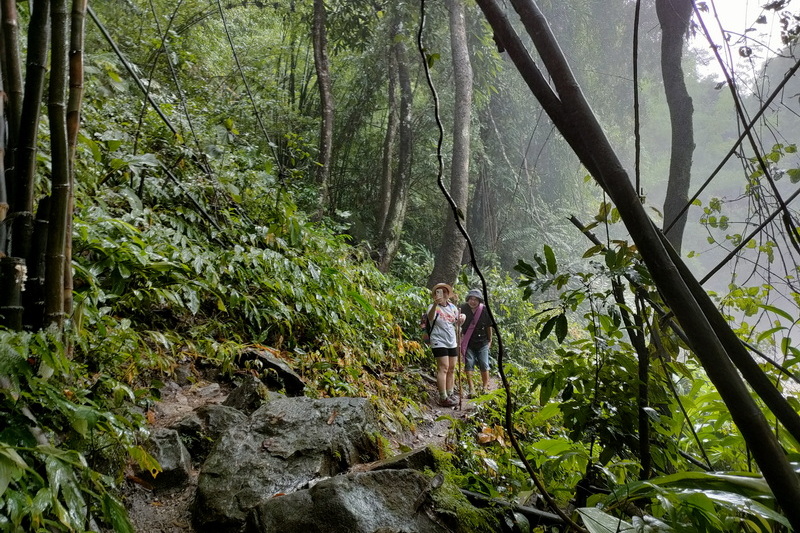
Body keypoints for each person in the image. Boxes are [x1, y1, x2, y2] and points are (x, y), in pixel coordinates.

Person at [427, 283, 465, 407]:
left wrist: (461, 318)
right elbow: (430, 317)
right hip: (438, 340)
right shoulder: (433, 307)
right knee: (443, 367)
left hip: (451, 341)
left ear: (448, 294)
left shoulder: (453, 307)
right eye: (439, 292)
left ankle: (450, 393)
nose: (442, 294)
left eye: (444, 292)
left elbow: (456, 322)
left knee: (452, 368)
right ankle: (443, 397)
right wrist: (435, 304)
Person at [460, 289, 492, 397]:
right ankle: (471, 388)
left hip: (482, 342)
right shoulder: (463, 308)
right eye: (471, 299)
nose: (473, 301)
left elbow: (488, 326)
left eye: (475, 299)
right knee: (469, 363)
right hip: (468, 342)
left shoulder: (484, 310)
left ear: (479, 301)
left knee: (484, 363)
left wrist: (490, 340)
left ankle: (485, 387)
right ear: (468, 300)